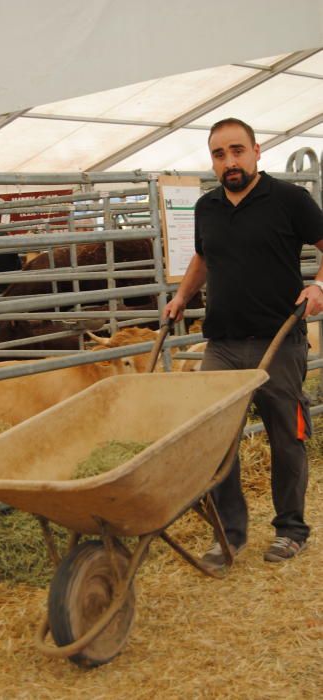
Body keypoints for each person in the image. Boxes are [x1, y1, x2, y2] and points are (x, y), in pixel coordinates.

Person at [164, 117, 323, 569]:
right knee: (216, 440)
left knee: (286, 437)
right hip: (223, 345)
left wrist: (318, 288)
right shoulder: (207, 207)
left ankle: (291, 530)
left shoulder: (290, 200)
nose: (229, 162)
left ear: (257, 151)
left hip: (279, 341)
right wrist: (180, 297)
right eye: (219, 154)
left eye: (237, 151)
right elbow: (202, 257)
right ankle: (229, 536)